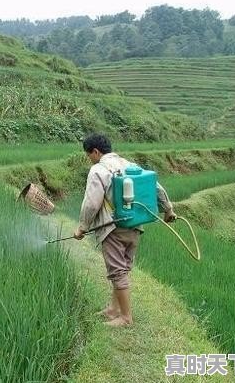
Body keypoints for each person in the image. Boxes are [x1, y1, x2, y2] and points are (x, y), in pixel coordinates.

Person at [73, 133, 177, 327]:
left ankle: (126, 318)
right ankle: (114, 309)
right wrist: (168, 209)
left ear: (95, 152)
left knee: (117, 271)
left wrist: (82, 227)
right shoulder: (130, 165)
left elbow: (91, 204)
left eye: (89, 156)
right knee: (123, 268)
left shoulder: (98, 170)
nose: (90, 160)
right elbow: (156, 187)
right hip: (135, 225)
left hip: (113, 228)